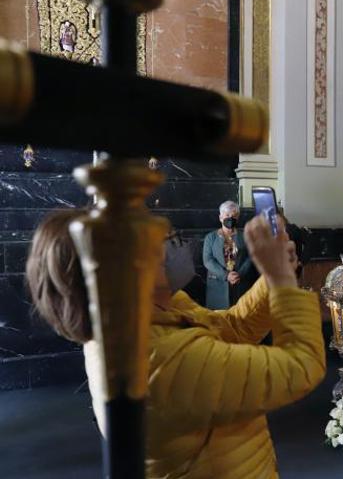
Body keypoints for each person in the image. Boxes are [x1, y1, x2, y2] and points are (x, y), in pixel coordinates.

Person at [26, 210, 325, 478]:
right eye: (161, 241)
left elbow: (234, 328)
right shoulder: (155, 358)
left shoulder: (154, 311)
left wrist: (273, 280)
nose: (174, 248)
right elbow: (301, 366)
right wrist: (283, 280)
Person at [203, 200, 253, 309]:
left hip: (240, 283)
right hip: (217, 284)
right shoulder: (210, 238)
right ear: (220, 217)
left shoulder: (245, 236)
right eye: (227, 215)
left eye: (234, 216)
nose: (230, 218)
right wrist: (226, 275)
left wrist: (239, 274)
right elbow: (207, 260)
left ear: (238, 217)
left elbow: (250, 257)